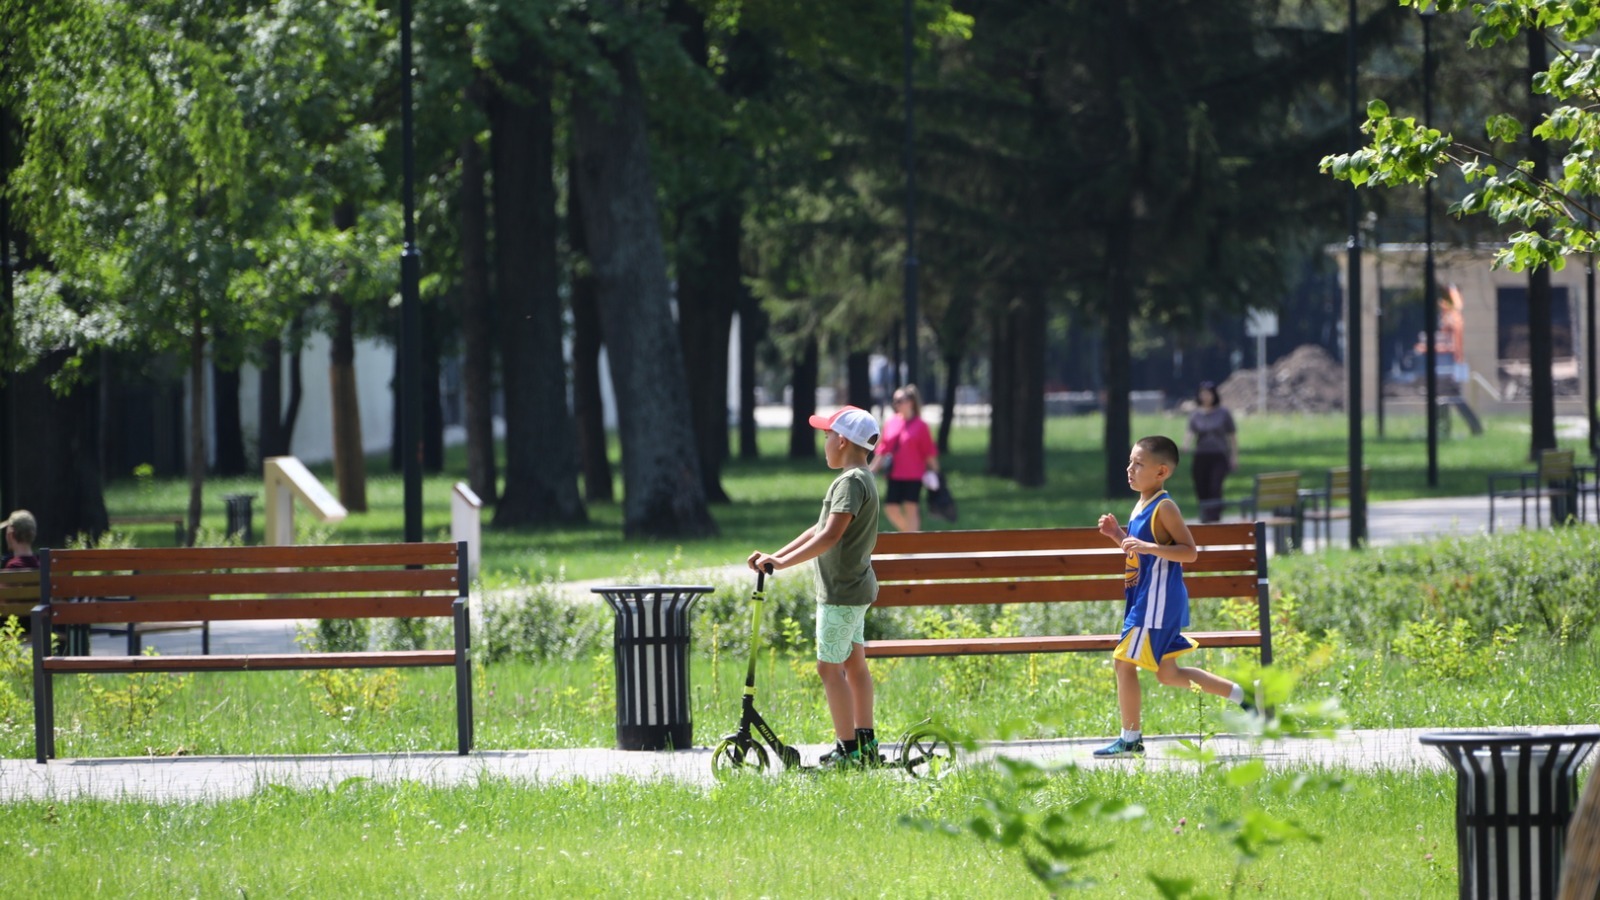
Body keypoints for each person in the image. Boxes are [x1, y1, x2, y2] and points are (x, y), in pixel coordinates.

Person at [1092, 436, 1254, 758]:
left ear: (1161, 471)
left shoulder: (1164, 507)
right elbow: (1142, 553)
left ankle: (1130, 739)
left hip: (1157, 603)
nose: (1130, 469)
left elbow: (1189, 553)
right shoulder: (1142, 503)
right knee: (1169, 675)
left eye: (1139, 464)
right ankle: (1245, 697)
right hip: (1146, 600)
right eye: (1130, 462)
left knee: (1123, 663)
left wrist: (1148, 546)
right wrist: (1119, 537)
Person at [748, 405, 882, 768]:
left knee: (828, 669)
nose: (824, 444)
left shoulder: (850, 482)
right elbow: (818, 528)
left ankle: (848, 749)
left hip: (840, 593)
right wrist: (775, 556)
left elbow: (829, 536)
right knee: (854, 666)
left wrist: (783, 564)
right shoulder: (860, 479)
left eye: (826, 437)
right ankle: (865, 746)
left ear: (841, 441)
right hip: (854, 589)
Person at [871, 384, 941, 532]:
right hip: (895, 474)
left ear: (911, 402)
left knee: (911, 509)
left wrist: (936, 473)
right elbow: (883, 449)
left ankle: (911, 545)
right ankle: (908, 535)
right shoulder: (891, 422)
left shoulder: (921, 426)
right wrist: (871, 470)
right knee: (891, 508)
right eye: (895, 400)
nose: (896, 404)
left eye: (900, 400)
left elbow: (929, 452)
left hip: (914, 475)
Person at [1185, 381, 1237, 523]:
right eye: (1203, 394)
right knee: (1201, 485)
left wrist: (1234, 457)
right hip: (1201, 455)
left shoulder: (1223, 413)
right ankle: (1204, 514)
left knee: (1215, 485)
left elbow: (1232, 435)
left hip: (1218, 455)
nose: (1206, 397)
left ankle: (1215, 515)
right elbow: (1190, 432)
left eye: (1208, 393)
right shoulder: (1195, 415)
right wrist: (1186, 445)